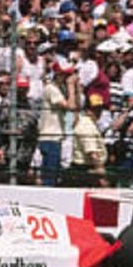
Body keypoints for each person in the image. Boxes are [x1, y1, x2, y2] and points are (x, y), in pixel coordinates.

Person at [37, 58, 78, 186]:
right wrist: (71, 86)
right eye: (65, 75)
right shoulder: (51, 89)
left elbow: (77, 105)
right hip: (50, 136)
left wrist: (76, 87)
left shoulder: (59, 89)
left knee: (53, 174)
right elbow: (71, 106)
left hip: (55, 137)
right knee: (50, 176)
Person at [69, 92, 109, 186]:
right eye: (94, 109)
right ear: (87, 110)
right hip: (86, 171)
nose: (98, 112)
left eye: (99, 109)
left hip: (89, 169)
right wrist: (100, 173)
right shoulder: (86, 125)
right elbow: (92, 152)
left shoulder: (90, 124)